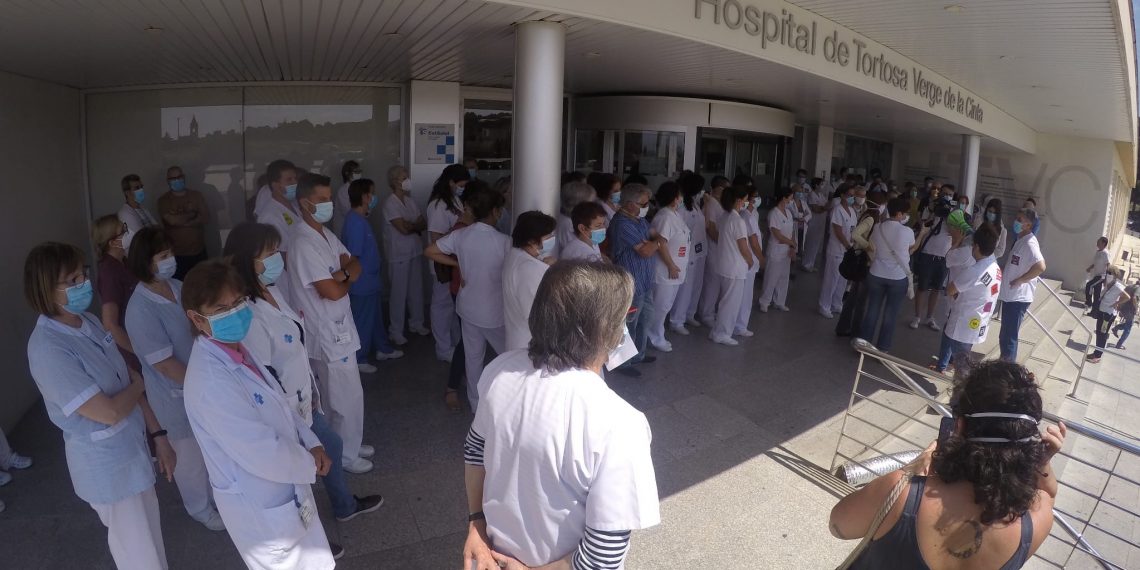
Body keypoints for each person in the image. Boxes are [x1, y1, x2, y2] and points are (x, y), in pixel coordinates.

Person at [461, 261, 660, 570]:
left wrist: (476, 523)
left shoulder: (500, 370)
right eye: (624, 316)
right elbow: (603, 555)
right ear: (605, 328)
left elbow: (474, 450)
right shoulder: (620, 423)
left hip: (492, 557)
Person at [224, 223, 384, 536]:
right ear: (246, 260)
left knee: (331, 447)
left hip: (302, 398)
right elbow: (263, 373)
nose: (276, 259)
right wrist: (290, 414)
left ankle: (343, 507)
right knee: (301, 468)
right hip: (284, 409)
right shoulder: (248, 312)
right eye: (268, 254)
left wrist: (309, 393)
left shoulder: (269, 291)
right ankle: (308, 538)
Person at [830, 360, 1062, 569]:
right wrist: (1042, 461)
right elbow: (1048, 493)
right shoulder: (1036, 521)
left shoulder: (901, 492)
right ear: (1030, 438)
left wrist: (910, 470)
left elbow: (838, 525)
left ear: (959, 427)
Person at [181, 261, 337, 569]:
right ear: (197, 319)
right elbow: (261, 451)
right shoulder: (210, 382)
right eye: (220, 308)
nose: (235, 312)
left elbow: (279, 403)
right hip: (262, 506)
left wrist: (312, 441)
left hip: (286, 486)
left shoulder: (237, 347)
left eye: (238, 302)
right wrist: (310, 464)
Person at [25, 242, 172, 569]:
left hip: (131, 451)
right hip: (108, 467)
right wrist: (137, 387)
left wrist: (158, 434)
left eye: (83, 274)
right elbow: (108, 411)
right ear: (45, 289)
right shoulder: (48, 349)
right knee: (138, 554)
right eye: (72, 280)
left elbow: (128, 379)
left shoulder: (87, 321)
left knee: (150, 541)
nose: (84, 284)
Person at [123, 227, 225, 531]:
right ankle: (199, 507)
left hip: (203, 383)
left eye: (170, 253)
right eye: (163, 255)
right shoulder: (139, 310)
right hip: (175, 395)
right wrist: (204, 382)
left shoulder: (178, 287)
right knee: (190, 459)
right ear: (146, 261)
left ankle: (218, 497)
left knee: (210, 449)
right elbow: (165, 365)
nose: (170, 260)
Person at [285, 173, 374, 474]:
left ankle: (352, 440)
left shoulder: (324, 233)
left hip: (339, 325)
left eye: (328, 197)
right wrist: (342, 276)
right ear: (304, 203)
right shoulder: (302, 241)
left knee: (349, 391)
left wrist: (341, 274)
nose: (327, 204)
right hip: (327, 332)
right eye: (321, 200)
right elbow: (331, 290)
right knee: (341, 396)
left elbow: (355, 262)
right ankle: (346, 455)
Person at [425, 187, 509, 411]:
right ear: (495, 211)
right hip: (493, 311)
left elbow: (430, 251)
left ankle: (476, 404)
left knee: (473, 359)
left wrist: (457, 263)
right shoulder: (503, 241)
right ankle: (510, 402)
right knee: (510, 357)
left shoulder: (461, 235)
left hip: (467, 306)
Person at [342, 178, 403, 374]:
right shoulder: (355, 223)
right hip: (362, 283)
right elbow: (353, 256)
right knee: (363, 320)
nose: (374, 197)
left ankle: (383, 349)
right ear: (365, 197)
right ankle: (359, 358)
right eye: (372, 193)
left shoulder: (360, 220)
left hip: (370, 281)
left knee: (375, 318)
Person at [859, 198, 931, 352]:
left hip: (876, 274)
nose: (905, 216)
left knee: (872, 310)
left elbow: (873, 246)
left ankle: (863, 345)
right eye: (904, 213)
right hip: (897, 278)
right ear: (898, 213)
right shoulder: (907, 231)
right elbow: (912, 249)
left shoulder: (878, 227)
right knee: (890, 315)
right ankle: (883, 348)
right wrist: (922, 234)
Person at [607, 183, 662, 377]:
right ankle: (623, 362)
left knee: (644, 321)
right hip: (630, 283)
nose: (647, 206)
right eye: (644, 203)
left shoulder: (639, 220)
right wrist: (655, 243)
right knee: (629, 323)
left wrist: (654, 242)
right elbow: (647, 251)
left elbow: (656, 236)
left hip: (644, 282)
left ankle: (638, 354)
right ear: (630, 204)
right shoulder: (622, 223)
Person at [931, 224, 1001, 373]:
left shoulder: (975, 271)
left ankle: (963, 393)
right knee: (962, 356)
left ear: (976, 246)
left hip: (964, 323)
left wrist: (957, 293)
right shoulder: (995, 267)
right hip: (977, 321)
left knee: (962, 366)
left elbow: (950, 289)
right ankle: (943, 367)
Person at [426, 164, 470, 361]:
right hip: (444, 263)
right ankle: (443, 348)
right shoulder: (437, 206)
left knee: (453, 306)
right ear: (451, 182)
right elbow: (436, 239)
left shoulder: (454, 200)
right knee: (442, 306)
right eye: (460, 184)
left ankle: (454, 344)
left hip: (455, 261)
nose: (463, 188)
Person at [381, 165, 429, 344]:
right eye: (403, 177)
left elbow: (422, 223)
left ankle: (416, 322)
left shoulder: (409, 201)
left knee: (416, 290)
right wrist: (412, 226)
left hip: (414, 251)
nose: (407, 180)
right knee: (398, 294)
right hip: (398, 254)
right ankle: (396, 330)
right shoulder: (390, 203)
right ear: (395, 181)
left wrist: (412, 226)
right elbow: (402, 228)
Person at [92, 215, 142, 373]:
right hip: (131, 346)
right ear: (112, 242)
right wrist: (137, 351)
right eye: (124, 231)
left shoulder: (124, 262)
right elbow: (111, 324)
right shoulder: (109, 272)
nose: (129, 232)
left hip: (140, 334)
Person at [707, 186, 754, 346]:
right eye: (745, 199)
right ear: (738, 200)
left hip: (725, 264)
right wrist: (750, 260)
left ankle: (717, 330)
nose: (746, 202)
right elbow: (743, 245)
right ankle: (722, 333)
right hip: (734, 267)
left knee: (724, 300)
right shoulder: (737, 220)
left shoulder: (725, 216)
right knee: (730, 302)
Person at [502, 211, 556, 351]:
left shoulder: (515, 255)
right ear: (532, 241)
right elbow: (536, 313)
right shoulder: (529, 268)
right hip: (530, 344)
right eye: (548, 236)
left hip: (519, 336)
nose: (552, 238)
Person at [645, 182, 690, 352]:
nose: (681, 199)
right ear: (674, 198)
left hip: (675, 270)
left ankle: (657, 334)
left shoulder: (674, 214)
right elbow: (660, 243)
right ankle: (654, 336)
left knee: (666, 305)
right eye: (679, 195)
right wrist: (671, 265)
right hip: (665, 270)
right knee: (660, 305)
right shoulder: (665, 217)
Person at [998, 209, 1046, 361]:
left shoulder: (1030, 243)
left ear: (1028, 225)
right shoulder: (1020, 240)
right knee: (1005, 335)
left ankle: (1007, 370)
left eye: (1020, 220)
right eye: (1016, 218)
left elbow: (1040, 267)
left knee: (1009, 337)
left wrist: (1021, 280)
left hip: (1018, 298)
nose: (1016, 222)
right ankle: (1004, 364)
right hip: (1010, 296)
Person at [254, 160, 301, 301]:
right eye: (289, 180)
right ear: (275, 185)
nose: (295, 183)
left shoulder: (295, 207)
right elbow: (280, 254)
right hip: (289, 278)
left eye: (295, 178)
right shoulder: (269, 216)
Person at [668, 172, 708, 334]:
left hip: (699, 250)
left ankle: (690, 313)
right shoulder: (682, 207)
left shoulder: (694, 203)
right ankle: (677, 320)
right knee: (686, 287)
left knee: (696, 284)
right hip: (687, 252)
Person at [835, 188, 878, 336]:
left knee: (854, 297)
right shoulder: (871, 218)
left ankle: (843, 327)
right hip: (863, 261)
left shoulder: (866, 214)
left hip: (861, 260)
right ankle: (855, 331)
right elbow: (855, 234)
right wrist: (868, 246)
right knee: (861, 300)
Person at [157, 166, 209, 280]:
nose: (176, 180)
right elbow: (172, 221)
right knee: (180, 287)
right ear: (168, 181)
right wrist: (193, 214)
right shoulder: (163, 200)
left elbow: (205, 218)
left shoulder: (196, 195)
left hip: (198, 252)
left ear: (184, 177)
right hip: (177, 255)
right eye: (172, 178)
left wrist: (181, 221)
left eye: (179, 177)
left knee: (202, 284)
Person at [910, 197, 952, 331]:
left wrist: (949, 217)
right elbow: (921, 226)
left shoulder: (951, 220)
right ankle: (917, 316)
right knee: (922, 287)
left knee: (937, 288)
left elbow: (956, 233)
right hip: (927, 256)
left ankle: (930, 317)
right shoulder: (930, 215)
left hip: (943, 258)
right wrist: (933, 215)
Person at [757, 187, 799, 312]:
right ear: (784, 198)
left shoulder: (789, 213)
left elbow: (791, 232)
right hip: (776, 250)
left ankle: (779, 301)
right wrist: (792, 243)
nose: (792, 200)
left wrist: (792, 247)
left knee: (784, 277)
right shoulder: (773, 213)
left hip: (786, 250)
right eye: (790, 198)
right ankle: (764, 301)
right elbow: (777, 235)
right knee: (771, 277)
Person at [696, 175, 731, 325]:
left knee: (715, 282)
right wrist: (724, 243)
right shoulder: (711, 204)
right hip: (713, 248)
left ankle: (710, 311)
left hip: (719, 249)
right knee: (711, 282)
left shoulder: (719, 204)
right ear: (720, 189)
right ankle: (706, 314)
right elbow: (710, 228)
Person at [819, 185, 858, 319]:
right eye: (850, 195)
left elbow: (853, 230)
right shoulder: (837, 210)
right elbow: (838, 231)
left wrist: (854, 244)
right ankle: (824, 305)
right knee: (832, 278)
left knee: (843, 278)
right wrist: (848, 246)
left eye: (854, 195)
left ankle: (837, 303)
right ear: (842, 195)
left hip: (848, 250)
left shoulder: (852, 211)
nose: (852, 198)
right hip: (837, 249)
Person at [735, 186, 766, 336]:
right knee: (745, 295)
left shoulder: (748, 214)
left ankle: (738, 324)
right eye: (753, 197)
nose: (756, 200)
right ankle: (740, 326)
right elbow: (754, 241)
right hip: (749, 260)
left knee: (742, 294)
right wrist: (761, 258)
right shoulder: (746, 216)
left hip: (746, 260)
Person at [1088, 266, 1131, 363]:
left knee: (1102, 334)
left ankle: (1098, 356)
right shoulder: (1109, 284)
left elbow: (1127, 297)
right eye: (1107, 272)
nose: (1108, 274)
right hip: (1102, 311)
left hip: (1108, 314)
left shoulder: (1117, 286)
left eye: (1110, 273)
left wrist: (1116, 303)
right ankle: (1096, 352)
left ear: (1115, 275)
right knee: (1099, 333)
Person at [556, 181, 596, 257]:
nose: (593, 207)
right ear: (578, 205)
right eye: (591, 203)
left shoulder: (568, 218)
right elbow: (581, 252)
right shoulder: (568, 224)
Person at [801, 170, 829, 272]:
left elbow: (825, 206)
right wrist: (825, 208)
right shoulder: (812, 195)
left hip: (820, 223)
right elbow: (816, 209)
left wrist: (825, 207)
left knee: (816, 245)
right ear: (816, 185)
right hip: (813, 223)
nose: (822, 186)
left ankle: (811, 263)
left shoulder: (821, 196)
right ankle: (806, 264)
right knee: (810, 244)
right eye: (821, 184)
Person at [332, 160, 363, 235]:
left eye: (359, 171)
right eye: (356, 171)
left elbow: (363, 213)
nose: (358, 174)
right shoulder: (343, 191)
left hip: (355, 226)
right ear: (347, 173)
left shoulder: (359, 189)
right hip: (344, 229)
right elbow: (349, 212)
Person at [1084, 236, 1110, 309]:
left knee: (1089, 285)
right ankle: (1095, 311)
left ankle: (1089, 302)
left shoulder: (1105, 253)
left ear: (1103, 243)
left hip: (1101, 276)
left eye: (1099, 241)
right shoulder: (1098, 252)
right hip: (1096, 275)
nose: (1097, 242)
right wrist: (1090, 268)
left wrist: (1106, 279)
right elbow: (1096, 263)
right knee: (1097, 294)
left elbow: (1108, 265)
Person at [1112, 281, 1138, 349]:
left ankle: (1116, 328)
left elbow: (1121, 295)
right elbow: (1134, 298)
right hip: (1130, 309)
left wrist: (1119, 305)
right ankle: (1119, 344)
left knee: (1129, 324)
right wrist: (1136, 308)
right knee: (1128, 328)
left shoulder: (1129, 286)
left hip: (1124, 307)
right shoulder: (1138, 288)